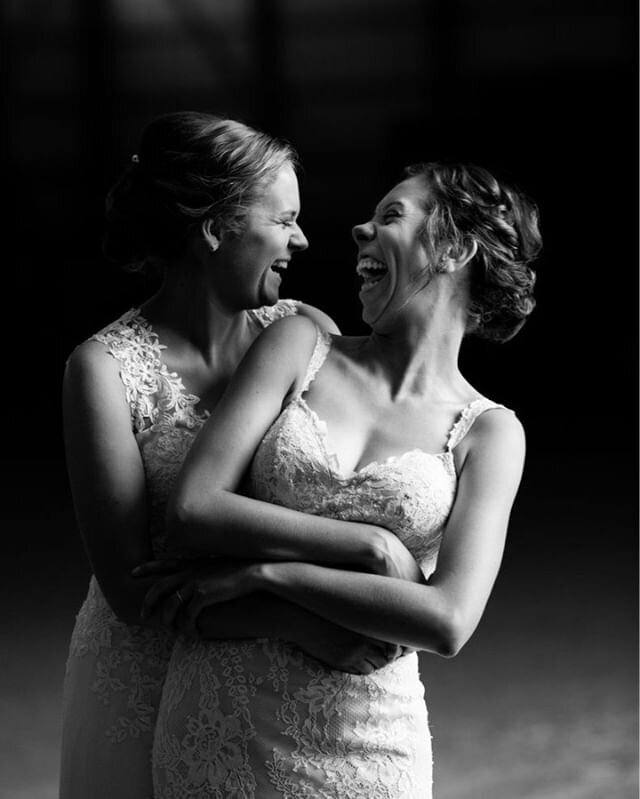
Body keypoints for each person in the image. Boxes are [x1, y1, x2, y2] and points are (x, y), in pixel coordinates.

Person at [140, 161, 542, 797]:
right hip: (224, 720)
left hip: (371, 738)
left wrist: (263, 576)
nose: (360, 229)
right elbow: (194, 508)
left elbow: (447, 621)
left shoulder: (491, 433)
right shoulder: (299, 345)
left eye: (391, 217)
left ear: (455, 248)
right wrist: (371, 549)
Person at [59, 111, 397, 799]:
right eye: (284, 220)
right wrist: (296, 619)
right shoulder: (102, 369)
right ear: (216, 229)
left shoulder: (307, 332)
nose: (302, 239)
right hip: (148, 678)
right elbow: (129, 590)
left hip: (283, 679)